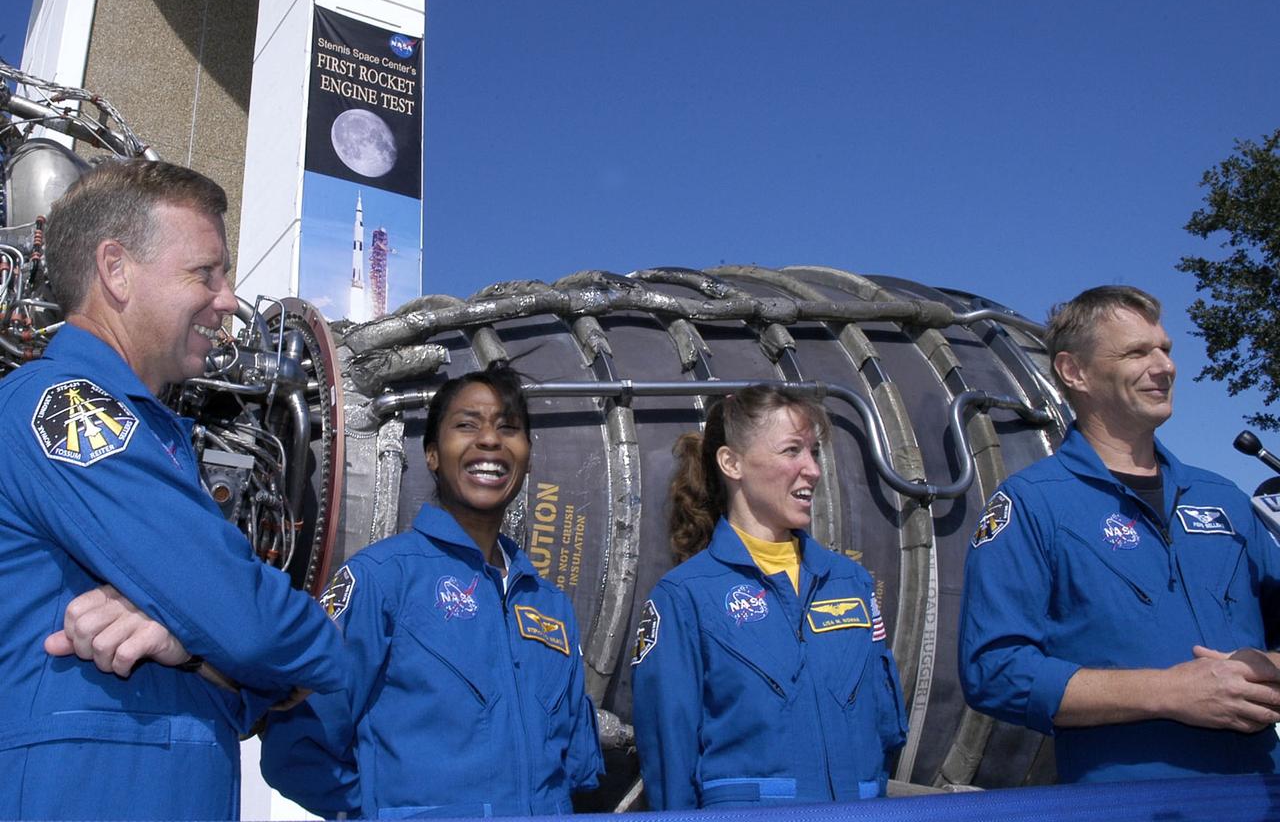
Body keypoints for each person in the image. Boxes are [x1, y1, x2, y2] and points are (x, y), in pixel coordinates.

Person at [0, 160, 349, 820]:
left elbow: (239, 661)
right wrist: (320, 647)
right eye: (205, 273)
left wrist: (191, 651)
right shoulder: (65, 408)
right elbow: (246, 622)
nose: (227, 299)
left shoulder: (147, 431)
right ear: (116, 269)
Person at [959, 284, 1280, 784]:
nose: (1165, 366)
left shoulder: (1224, 499)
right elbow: (995, 671)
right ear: (1075, 372)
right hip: (1127, 805)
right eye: (1137, 352)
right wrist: (1168, 692)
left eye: (1165, 350)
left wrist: (1266, 668)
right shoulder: (1031, 504)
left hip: (1258, 795)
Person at [260, 365, 603, 817]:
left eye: (509, 428)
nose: (489, 441)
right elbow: (298, 749)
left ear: (527, 455)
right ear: (432, 454)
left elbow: (576, 767)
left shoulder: (549, 606)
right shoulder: (381, 581)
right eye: (466, 425)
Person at [631, 385, 907, 810]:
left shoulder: (850, 583)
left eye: (813, 452)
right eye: (792, 451)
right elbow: (671, 768)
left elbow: (885, 732)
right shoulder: (683, 597)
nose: (812, 470)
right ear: (732, 463)